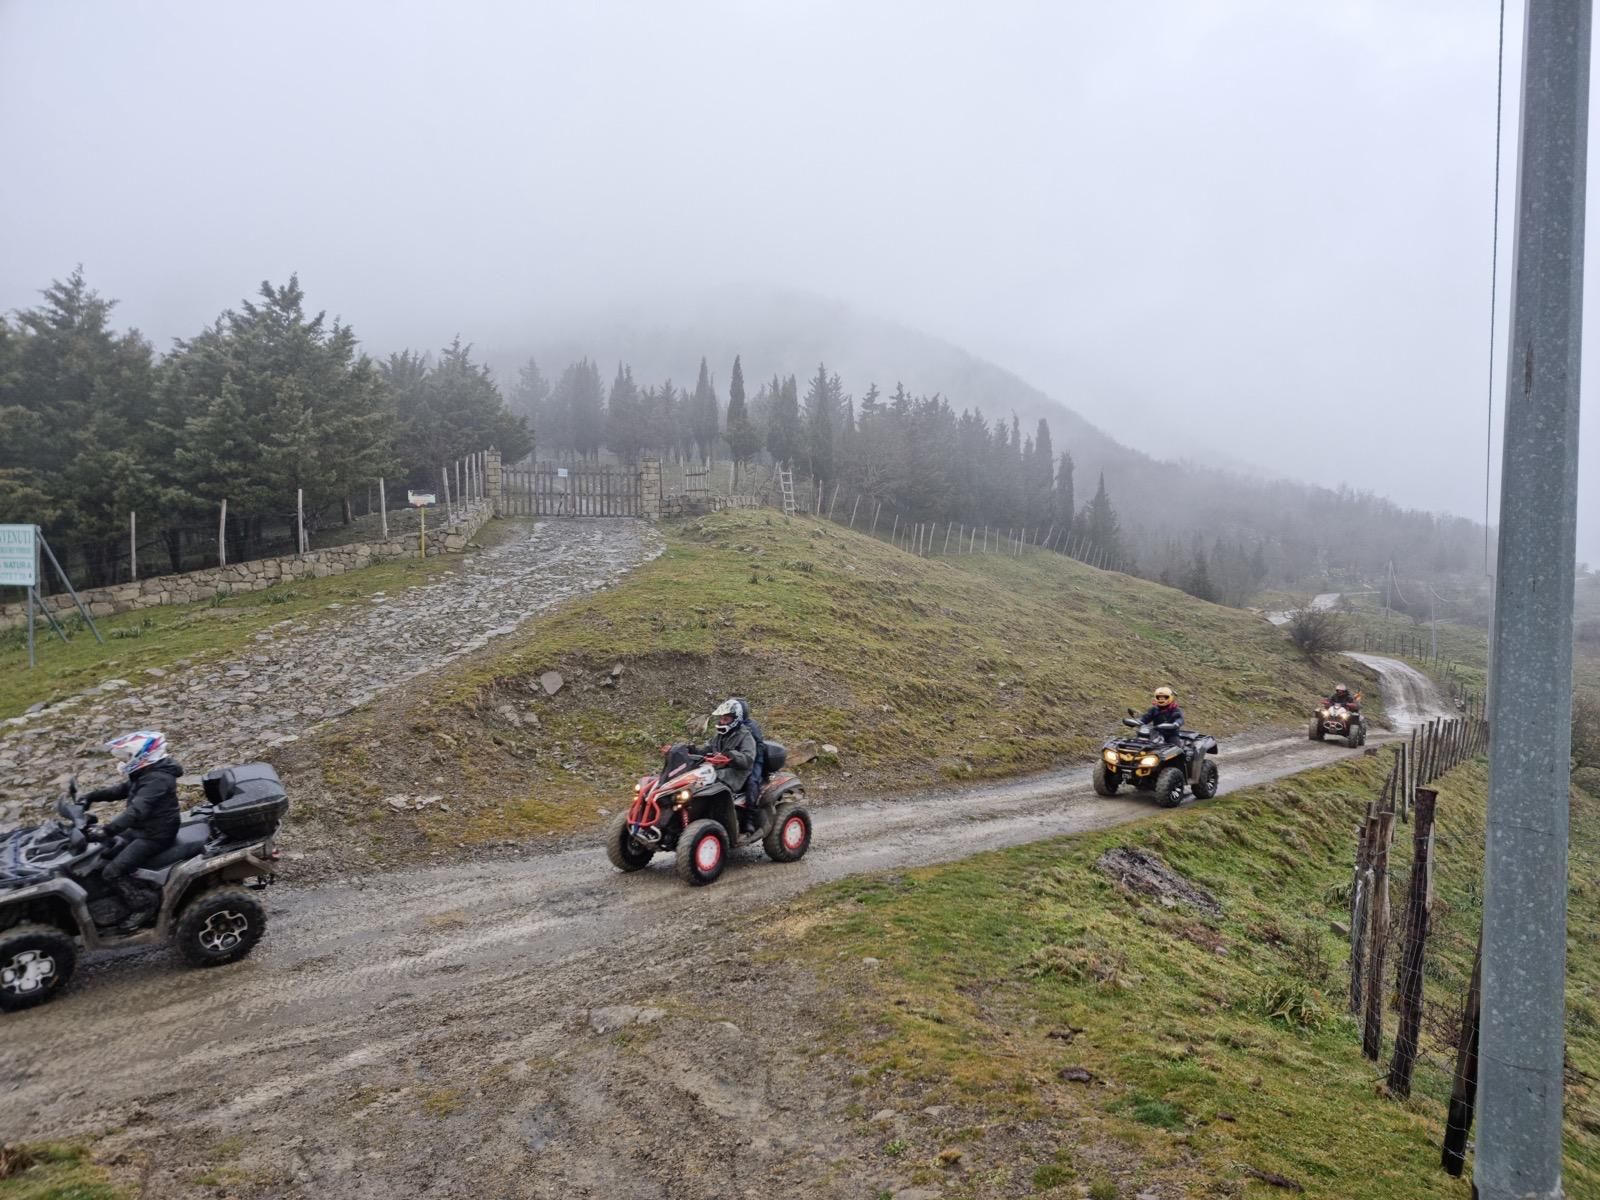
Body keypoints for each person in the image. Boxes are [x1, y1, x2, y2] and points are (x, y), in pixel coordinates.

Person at [82, 731, 182, 934]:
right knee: (102, 854)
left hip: (155, 835)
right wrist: (91, 796)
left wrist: (107, 830)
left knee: (112, 872)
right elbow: (121, 790)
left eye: (128, 756)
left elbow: (136, 810)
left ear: (143, 756)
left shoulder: (158, 780)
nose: (125, 761)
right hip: (142, 829)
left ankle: (143, 904)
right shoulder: (147, 773)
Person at [699, 699, 758, 804]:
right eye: (721, 718)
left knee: (710, 785)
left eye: (725, 719)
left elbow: (747, 760)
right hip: (721, 770)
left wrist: (731, 756)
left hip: (735, 774)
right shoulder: (720, 735)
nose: (722, 722)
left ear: (735, 720)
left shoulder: (745, 736)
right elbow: (708, 748)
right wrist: (690, 749)